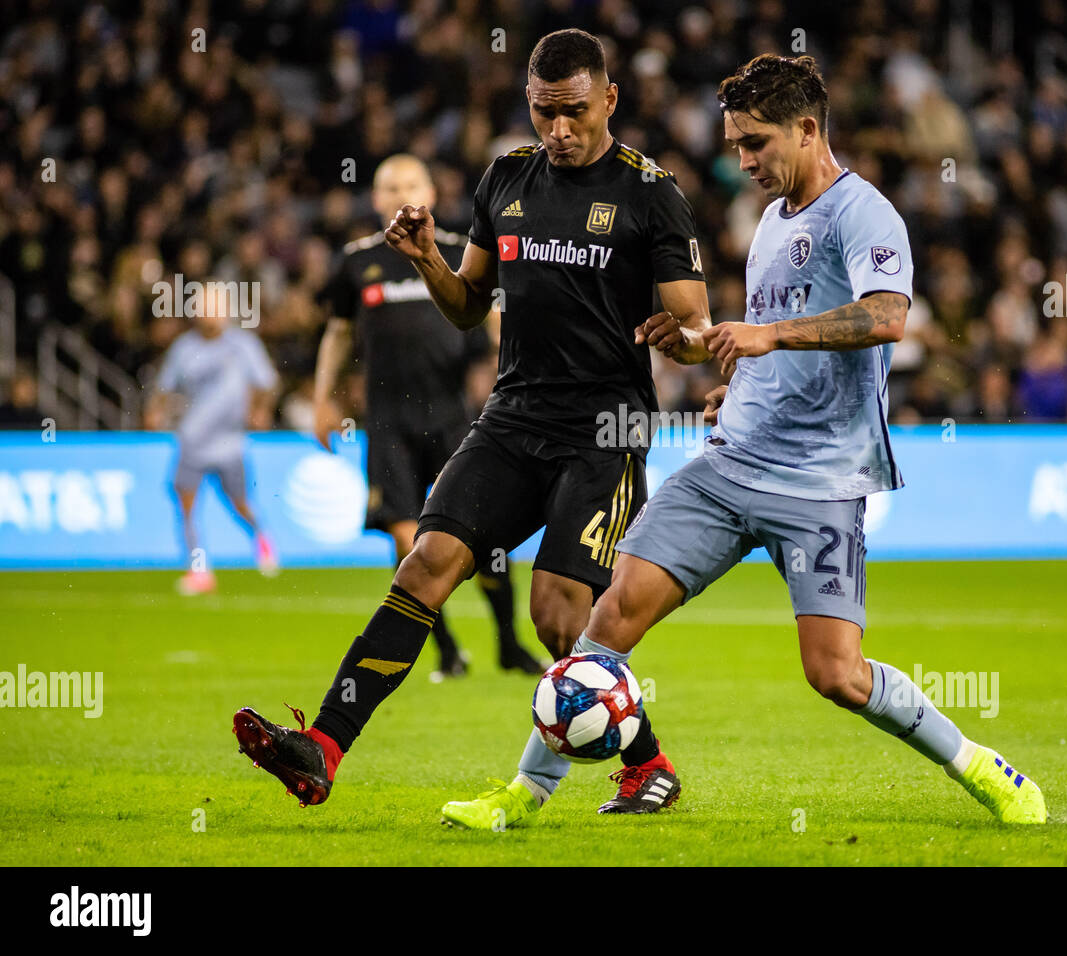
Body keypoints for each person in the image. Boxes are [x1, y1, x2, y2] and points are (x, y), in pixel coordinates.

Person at [451, 54, 1047, 828]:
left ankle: (977, 764)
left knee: (834, 673)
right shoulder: (771, 222)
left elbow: (886, 316)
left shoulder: (862, 212)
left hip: (821, 481)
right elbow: (775, 346)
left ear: (806, 129)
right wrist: (726, 369)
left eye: (756, 143)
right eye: (735, 144)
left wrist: (768, 336)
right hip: (730, 464)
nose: (743, 162)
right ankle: (522, 798)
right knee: (609, 617)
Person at [232, 29, 713, 813]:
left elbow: (695, 327)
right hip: (511, 417)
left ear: (610, 101)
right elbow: (466, 309)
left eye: (576, 113)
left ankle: (647, 764)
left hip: (605, 429)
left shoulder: (649, 191)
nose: (558, 130)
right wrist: (427, 257)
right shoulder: (504, 180)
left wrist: (683, 340)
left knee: (559, 618)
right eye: (544, 112)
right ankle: (320, 748)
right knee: (424, 565)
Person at [315, 153, 542, 680]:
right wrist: (324, 398)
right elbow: (337, 333)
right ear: (375, 199)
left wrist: (511, 379)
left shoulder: (461, 252)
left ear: (431, 194)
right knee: (406, 539)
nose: (399, 194)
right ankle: (446, 651)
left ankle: (508, 643)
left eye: (410, 184)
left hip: (455, 418)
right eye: (389, 186)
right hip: (387, 422)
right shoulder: (356, 262)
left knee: (483, 539)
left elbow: (494, 321)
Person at [145, 284, 278, 594]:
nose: (209, 314)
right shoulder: (183, 348)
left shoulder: (243, 345)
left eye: (215, 308)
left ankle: (261, 536)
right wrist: (154, 412)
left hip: (230, 443)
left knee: (240, 504)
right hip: (192, 441)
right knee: (187, 506)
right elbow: (165, 388)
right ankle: (199, 568)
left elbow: (267, 382)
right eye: (204, 307)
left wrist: (260, 410)